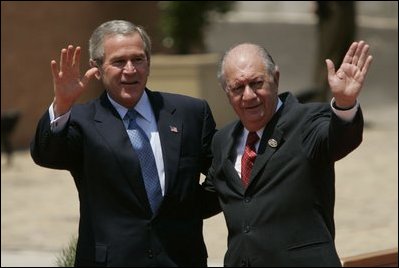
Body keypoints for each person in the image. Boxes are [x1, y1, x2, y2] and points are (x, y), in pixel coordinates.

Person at [31, 20, 220, 266]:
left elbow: (222, 174)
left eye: (138, 59)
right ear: (97, 68)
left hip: (180, 259)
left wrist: (188, 212)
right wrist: (62, 105)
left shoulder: (190, 113)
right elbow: (46, 154)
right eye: (119, 62)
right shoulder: (81, 121)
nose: (130, 70)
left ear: (148, 63)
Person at [202, 41, 373, 266]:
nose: (249, 95)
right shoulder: (223, 140)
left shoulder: (306, 121)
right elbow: (207, 201)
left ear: (276, 77)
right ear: (227, 91)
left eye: (256, 83)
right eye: (237, 88)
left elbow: (340, 139)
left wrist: (344, 104)